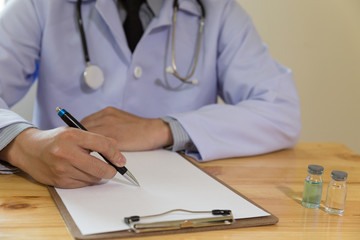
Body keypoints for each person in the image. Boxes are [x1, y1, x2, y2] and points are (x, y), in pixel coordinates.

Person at [0, 0, 301, 188]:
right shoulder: (38, 5)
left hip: (178, 200)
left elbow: (280, 111)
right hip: (60, 198)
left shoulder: (218, 11)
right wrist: (21, 143)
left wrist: (164, 128)